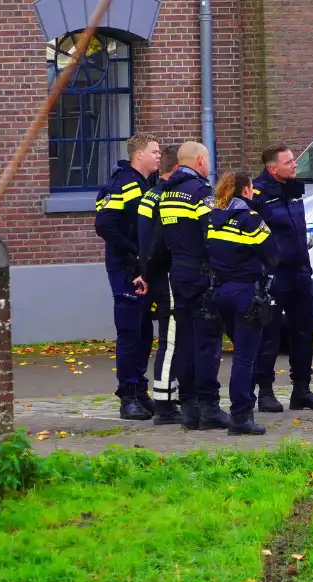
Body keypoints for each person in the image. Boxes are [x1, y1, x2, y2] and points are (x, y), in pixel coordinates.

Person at [251, 143, 313, 412]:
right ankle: (264, 392)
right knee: (270, 333)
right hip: (274, 275)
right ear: (272, 168)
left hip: (299, 272)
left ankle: (302, 390)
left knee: (303, 332)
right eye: (288, 162)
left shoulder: (294, 189)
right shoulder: (259, 194)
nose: (294, 165)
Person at [206, 171, 281, 436]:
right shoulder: (250, 219)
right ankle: (240, 416)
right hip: (246, 293)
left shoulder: (213, 218)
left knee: (238, 352)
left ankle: (238, 411)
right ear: (246, 191)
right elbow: (273, 255)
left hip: (220, 292)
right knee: (245, 358)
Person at [161, 142, 228, 430]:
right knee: (208, 342)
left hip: (178, 274)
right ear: (200, 161)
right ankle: (209, 407)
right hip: (202, 275)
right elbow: (213, 234)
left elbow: (162, 240)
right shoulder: (201, 193)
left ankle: (189, 408)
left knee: (184, 343)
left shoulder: (166, 194)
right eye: (208, 160)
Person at [94, 132, 160, 420]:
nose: (159, 155)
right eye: (154, 151)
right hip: (125, 269)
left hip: (143, 269)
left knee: (145, 331)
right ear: (139, 154)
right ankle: (127, 396)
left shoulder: (149, 184)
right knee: (131, 331)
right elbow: (105, 225)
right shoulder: (122, 184)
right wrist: (133, 254)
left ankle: (140, 390)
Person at [136, 143, 183, 425]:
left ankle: (169, 397)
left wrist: (144, 270)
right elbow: (160, 241)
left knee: (169, 339)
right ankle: (165, 405)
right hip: (167, 275)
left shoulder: (149, 195)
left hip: (155, 273)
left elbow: (144, 239)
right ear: (177, 168)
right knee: (171, 340)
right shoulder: (164, 197)